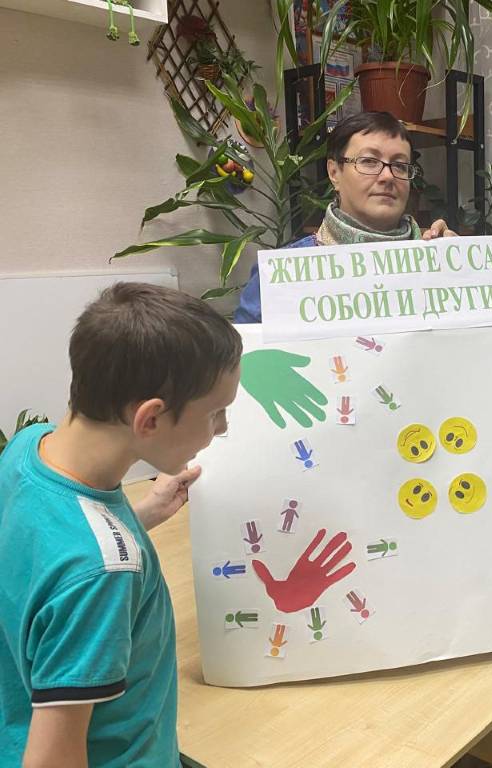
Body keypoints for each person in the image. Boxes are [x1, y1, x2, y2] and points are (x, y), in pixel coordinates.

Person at [0, 283, 242, 767]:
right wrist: (111, 557)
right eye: (216, 413)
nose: (223, 429)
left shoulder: (29, 448)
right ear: (150, 419)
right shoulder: (103, 575)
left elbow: (50, 556)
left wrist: (143, 513)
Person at [235, 110, 456, 323]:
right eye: (369, 161)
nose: (388, 176)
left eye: (399, 166)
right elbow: (247, 349)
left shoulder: (437, 261)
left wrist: (457, 270)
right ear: (334, 173)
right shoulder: (281, 276)